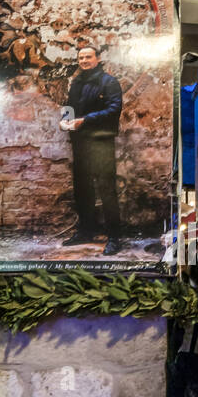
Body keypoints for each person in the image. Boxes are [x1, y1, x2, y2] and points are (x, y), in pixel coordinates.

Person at [59, 41, 126, 252]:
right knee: (82, 190)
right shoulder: (76, 82)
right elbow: (69, 106)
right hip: (80, 143)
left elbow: (114, 109)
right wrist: (65, 120)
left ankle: (114, 238)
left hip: (102, 143)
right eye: (81, 58)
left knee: (107, 190)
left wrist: (85, 120)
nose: (84, 61)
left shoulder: (109, 82)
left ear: (97, 59)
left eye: (88, 57)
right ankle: (86, 231)